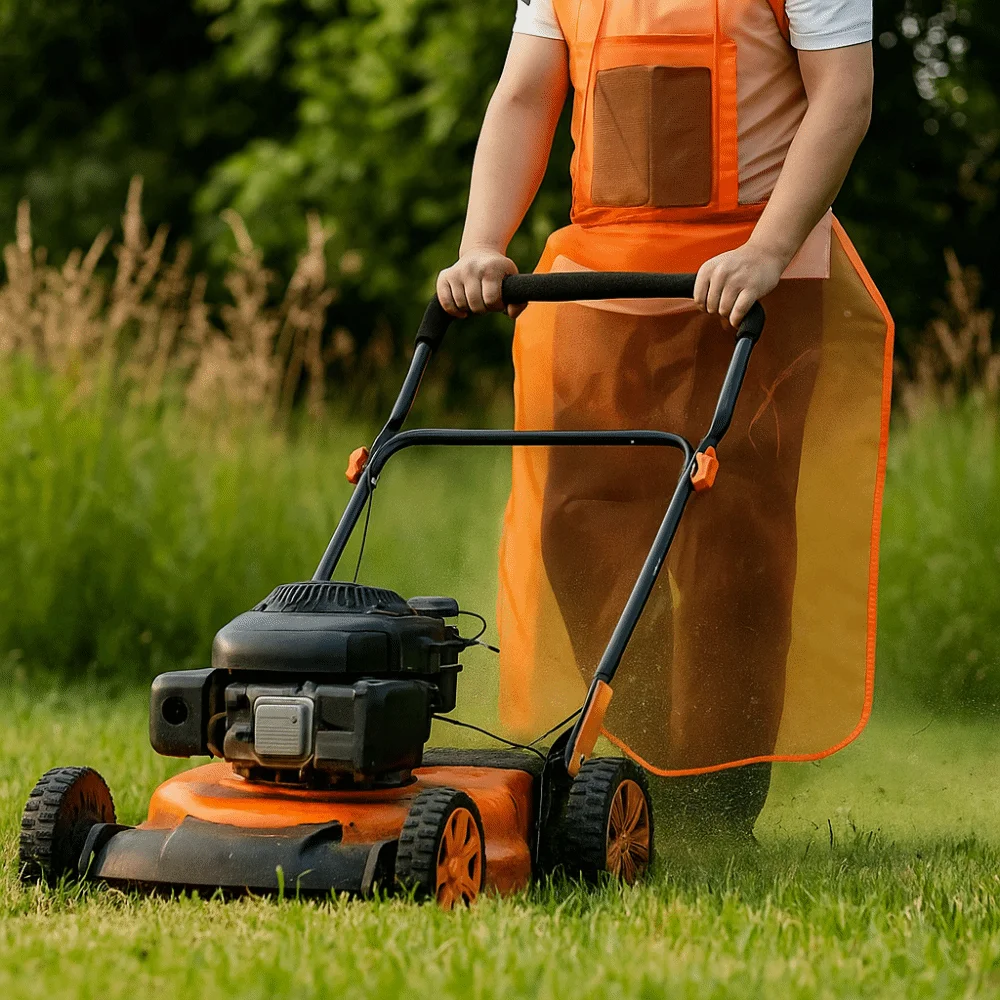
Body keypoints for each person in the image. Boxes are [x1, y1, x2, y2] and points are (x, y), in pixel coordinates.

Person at [438, 0, 893, 843]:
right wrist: (481, 242)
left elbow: (845, 97)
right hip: (601, 284)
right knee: (580, 528)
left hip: (759, 286)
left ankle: (717, 805)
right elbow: (526, 96)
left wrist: (767, 244)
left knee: (737, 547)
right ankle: (636, 771)